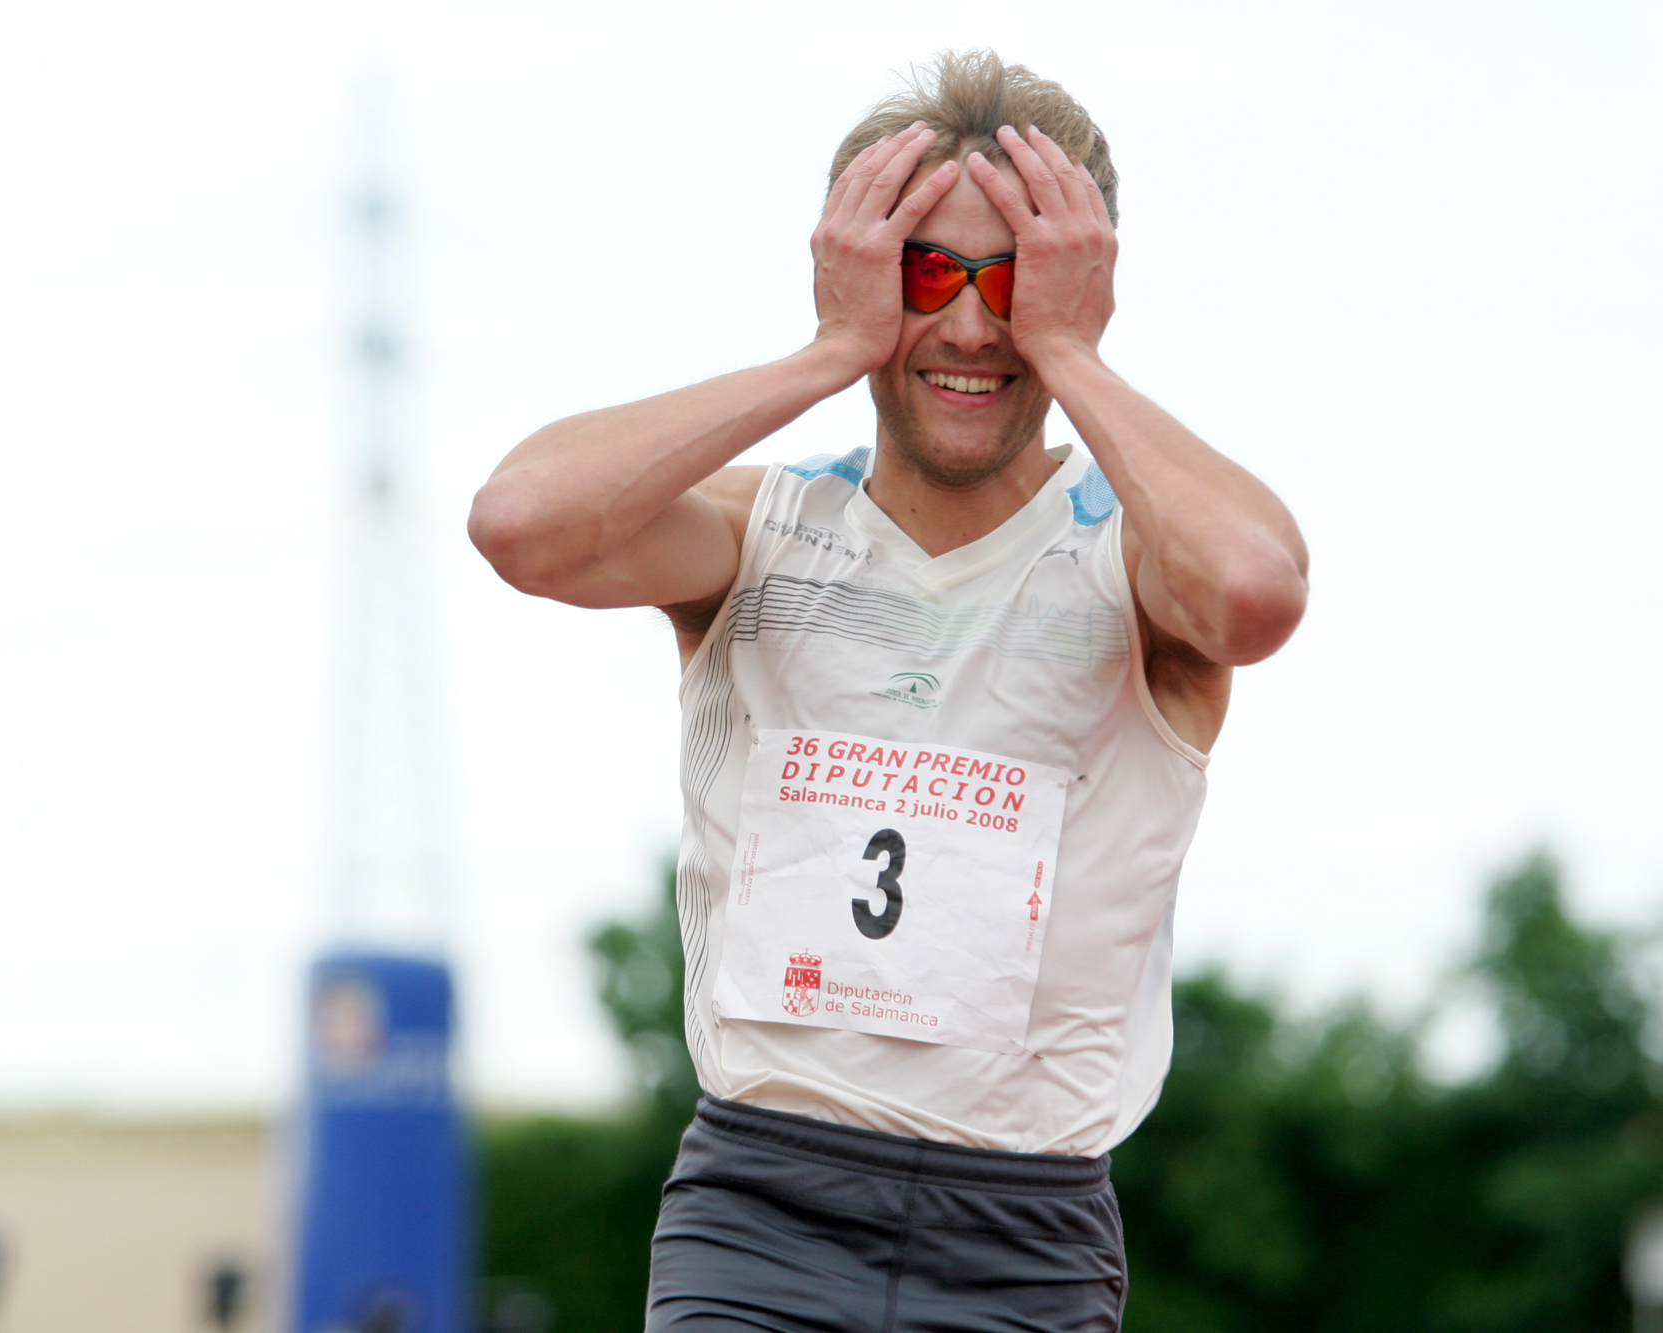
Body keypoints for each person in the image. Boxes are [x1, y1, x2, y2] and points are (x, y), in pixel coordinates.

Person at [471, 49, 1308, 1333]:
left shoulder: (1135, 557)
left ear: (1076, 288)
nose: (969, 327)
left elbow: (1255, 592)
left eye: (1011, 282)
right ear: (863, 270)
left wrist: (1071, 355)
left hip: (1022, 1236)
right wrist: (827, 350)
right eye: (928, 274)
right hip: (761, 1209)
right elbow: (523, 522)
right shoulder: (757, 531)